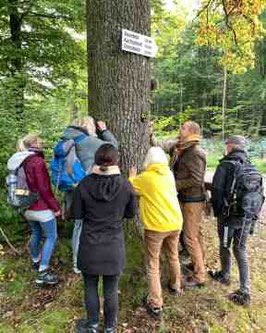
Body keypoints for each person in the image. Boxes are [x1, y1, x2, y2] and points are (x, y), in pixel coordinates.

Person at [72, 144, 135, 333]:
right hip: (113, 247)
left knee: (90, 285)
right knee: (110, 288)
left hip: (90, 245)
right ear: (116, 161)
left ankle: (92, 325)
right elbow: (130, 214)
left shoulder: (84, 184)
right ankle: (109, 328)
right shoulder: (126, 185)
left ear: (96, 160)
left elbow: (77, 214)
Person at [129, 147, 183, 320]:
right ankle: (175, 286)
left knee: (153, 264)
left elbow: (130, 188)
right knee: (173, 256)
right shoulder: (169, 174)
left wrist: (131, 175)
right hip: (175, 223)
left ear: (148, 161)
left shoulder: (145, 178)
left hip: (156, 226)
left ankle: (155, 303)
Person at [61, 116, 118, 273]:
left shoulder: (66, 140)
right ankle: (80, 262)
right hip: (87, 191)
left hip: (71, 190)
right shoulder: (88, 141)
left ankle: (77, 261)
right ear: (88, 126)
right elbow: (113, 148)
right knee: (84, 227)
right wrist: (105, 131)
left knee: (78, 225)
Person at [210, 135, 254, 306]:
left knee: (225, 245)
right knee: (241, 249)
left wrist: (219, 212)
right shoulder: (250, 164)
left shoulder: (226, 164)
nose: (225, 147)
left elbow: (216, 190)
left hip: (229, 218)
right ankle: (245, 290)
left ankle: (225, 275)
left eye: (226, 144)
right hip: (247, 217)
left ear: (231, 146)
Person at [15, 133, 60, 285]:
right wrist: (55, 207)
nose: (41, 142)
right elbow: (44, 188)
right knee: (51, 236)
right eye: (39, 140)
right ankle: (43, 271)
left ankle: (35, 261)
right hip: (40, 207)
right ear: (34, 143)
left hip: (25, 207)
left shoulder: (19, 160)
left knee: (36, 232)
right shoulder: (37, 161)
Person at [172, 121, 207, 288]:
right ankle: (197, 264)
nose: (181, 129)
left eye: (184, 128)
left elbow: (196, 179)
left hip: (193, 200)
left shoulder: (194, 152)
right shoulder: (185, 148)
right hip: (188, 199)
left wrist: (173, 184)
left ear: (192, 131)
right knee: (196, 235)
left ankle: (200, 276)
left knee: (190, 237)